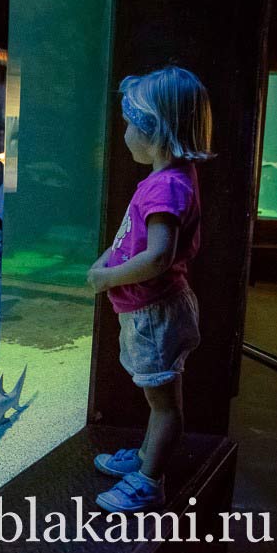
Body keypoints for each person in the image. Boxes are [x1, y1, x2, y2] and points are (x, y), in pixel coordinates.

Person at [86, 65, 213, 512]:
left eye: (128, 123)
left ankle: (148, 480)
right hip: (149, 312)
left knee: (164, 405)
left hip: (155, 314)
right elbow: (132, 238)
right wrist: (106, 258)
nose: (123, 133)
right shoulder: (169, 180)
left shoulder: (167, 188)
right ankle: (145, 456)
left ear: (153, 129)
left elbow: (158, 257)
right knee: (156, 397)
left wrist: (106, 278)